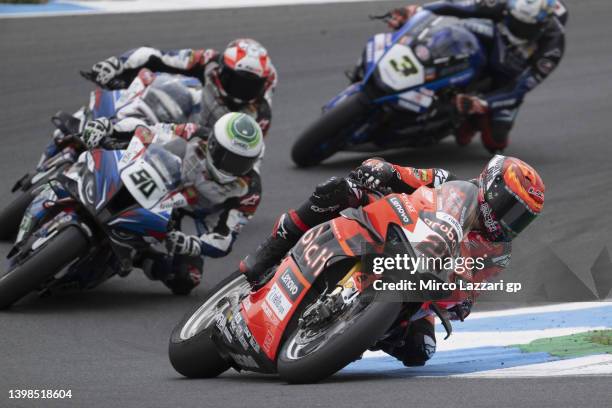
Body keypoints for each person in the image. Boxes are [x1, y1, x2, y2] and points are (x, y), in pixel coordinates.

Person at [240, 155, 545, 366]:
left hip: (425, 282)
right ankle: (275, 245)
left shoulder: (497, 253)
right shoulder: (448, 182)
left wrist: (461, 301)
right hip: (388, 230)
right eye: (510, 208)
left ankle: (355, 330)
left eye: (522, 219)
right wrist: (383, 171)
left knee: (420, 351)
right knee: (340, 188)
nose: (510, 222)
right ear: (492, 186)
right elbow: (402, 173)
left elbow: (470, 292)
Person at [95, 112, 264, 295]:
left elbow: (225, 239)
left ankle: (140, 256)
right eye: (227, 157)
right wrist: (112, 128)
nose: (230, 167)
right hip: (163, 182)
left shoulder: (248, 190)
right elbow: (148, 130)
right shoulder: (195, 133)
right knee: (95, 138)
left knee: (187, 278)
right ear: (213, 144)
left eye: (241, 163)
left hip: (193, 216)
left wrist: (192, 244)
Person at [382, 0, 568, 152]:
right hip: (488, 49)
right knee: (454, 32)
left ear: (543, 25)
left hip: (505, 82)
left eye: (525, 27)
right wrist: (417, 11)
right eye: (514, 20)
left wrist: (484, 102)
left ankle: (469, 120)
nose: (517, 28)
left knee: (495, 142)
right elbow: (457, 7)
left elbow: (519, 89)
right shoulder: (503, 7)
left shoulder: (552, 49)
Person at [83, 38, 277, 137]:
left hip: (208, 136)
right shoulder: (209, 60)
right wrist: (116, 64)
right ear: (222, 69)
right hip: (195, 107)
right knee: (176, 91)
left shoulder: (261, 112)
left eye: (250, 85)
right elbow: (155, 56)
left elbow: (252, 155)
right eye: (236, 81)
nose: (240, 91)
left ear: (263, 83)